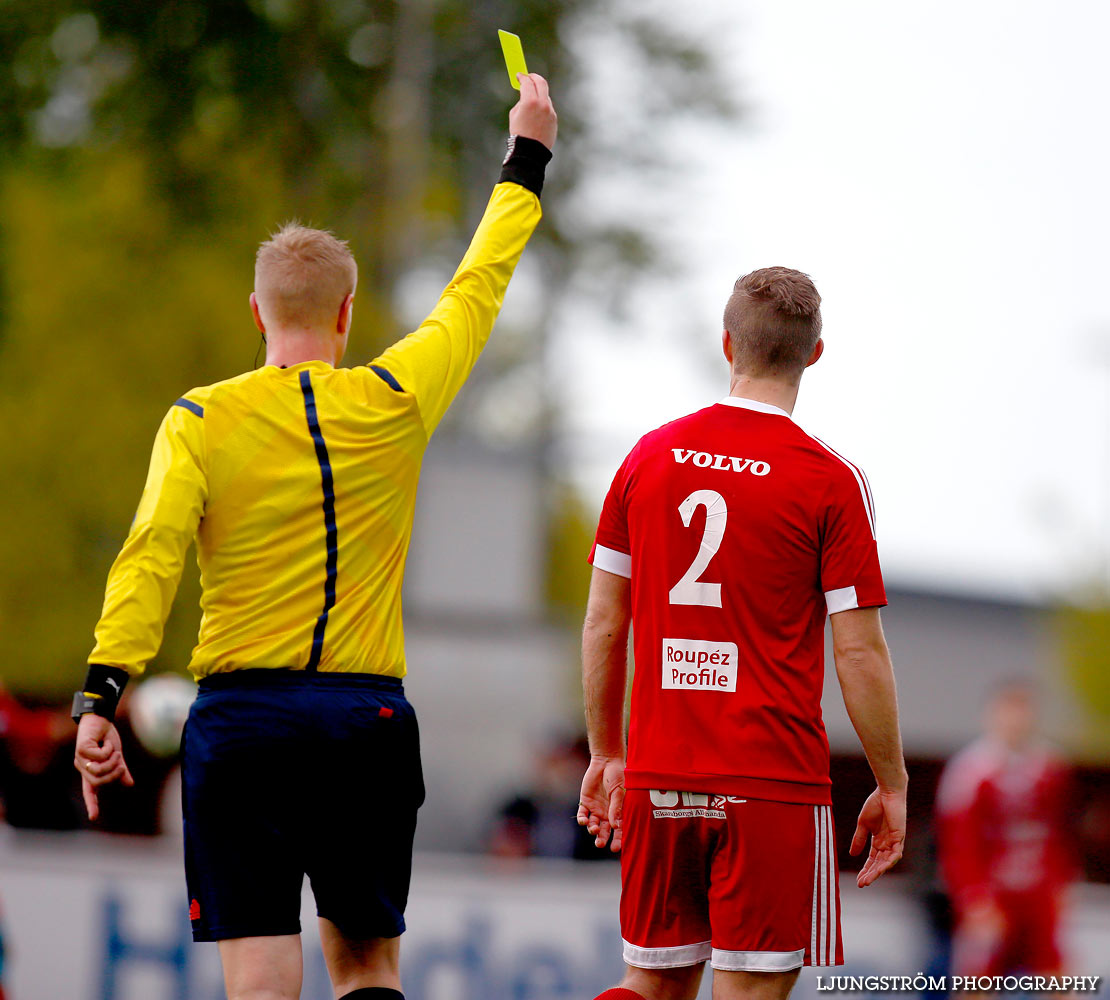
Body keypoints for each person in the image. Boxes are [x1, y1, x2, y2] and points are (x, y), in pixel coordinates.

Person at [72, 75, 557, 1000]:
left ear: (257, 312)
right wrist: (525, 152)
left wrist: (105, 689)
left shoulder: (199, 419)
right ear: (345, 315)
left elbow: (153, 552)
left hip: (242, 721)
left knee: (259, 973)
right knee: (369, 967)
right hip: (364, 723)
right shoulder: (395, 400)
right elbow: (476, 287)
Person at [577, 268, 908, 1000]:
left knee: (651, 984)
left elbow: (604, 621)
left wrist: (607, 752)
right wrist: (892, 781)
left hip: (662, 769)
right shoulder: (829, 479)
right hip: (771, 782)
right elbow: (857, 650)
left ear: (727, 343)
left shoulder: (648, 456)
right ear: (815, 355)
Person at [936, 680, 1076, 978]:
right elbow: (958, 842)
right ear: (991, 714)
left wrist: (1062, 882)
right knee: (979, 977)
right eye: (1009, 710)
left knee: (1058, 975)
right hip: (992, 893)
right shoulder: (969, 770)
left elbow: (1061, 832)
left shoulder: (1050, 767)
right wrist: (972, 897)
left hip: (1038, 893)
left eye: (1024, 710)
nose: (1017, 719)